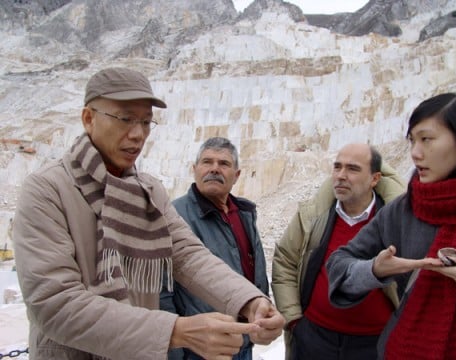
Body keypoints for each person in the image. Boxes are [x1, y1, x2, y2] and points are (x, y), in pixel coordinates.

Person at [12, 67, 284, 360]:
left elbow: (188, 255)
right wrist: (176, 331)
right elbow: (53, 304)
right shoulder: (47, 190)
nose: (138, 134)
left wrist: (250, 301)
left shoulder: (148, 191)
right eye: (125, 118)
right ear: (88, 118)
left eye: (146, 121)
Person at [327, 93, 456, 359]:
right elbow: (339, 263)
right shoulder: (404, 209)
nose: (415, 153)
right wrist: (374, 269)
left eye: (427, 140)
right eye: (412, 141)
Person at [272, 143, 406, 360]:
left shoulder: (397, 222)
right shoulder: (312, 217)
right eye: (337, 167)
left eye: (352, 169)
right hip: (313, 339)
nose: (341, 176)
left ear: (375, 179)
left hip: (376, 344)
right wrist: (295, 320)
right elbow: (285, 261)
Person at [162, 136, 269, 360]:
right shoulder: (173, 216)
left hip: (242, 341)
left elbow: (254, 272)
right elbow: (162, 292)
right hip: (200, 349)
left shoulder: (244, 214)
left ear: (237, 175)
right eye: (207, 162)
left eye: (224, 164)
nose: (214, 169)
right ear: (194, 169)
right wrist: (175, 352)